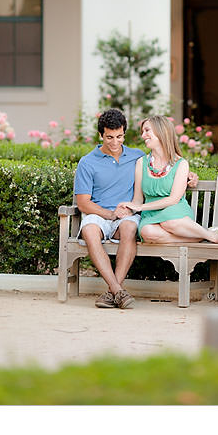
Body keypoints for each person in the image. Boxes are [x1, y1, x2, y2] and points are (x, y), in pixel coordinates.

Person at [118, 115, 218, 245]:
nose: (143, 136)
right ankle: (202, 236)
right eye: (142, 132)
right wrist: (129, 208)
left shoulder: (181, 163)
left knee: (170, 222)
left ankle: (215, 238)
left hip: (174, 211)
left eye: (147, 130)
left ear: (161, 131)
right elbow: (138, 199)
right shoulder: (142, 163)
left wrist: (141, 207)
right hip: (151, 214)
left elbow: (173, 199)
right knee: (147, 233)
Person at [73, 108, 144, 309]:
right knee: (89, 230)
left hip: (126, 215)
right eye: (109, 137)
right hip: (99, 213)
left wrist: (189, 174)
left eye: (119, 136)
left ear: (124, 134)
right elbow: (83, 203)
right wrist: (110, 214)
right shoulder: (87, 162)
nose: (115, 143)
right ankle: (118, 291)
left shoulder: (137, 157)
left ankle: (113, 291)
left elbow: (164, 168)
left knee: (130, 228)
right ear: (100, 135)